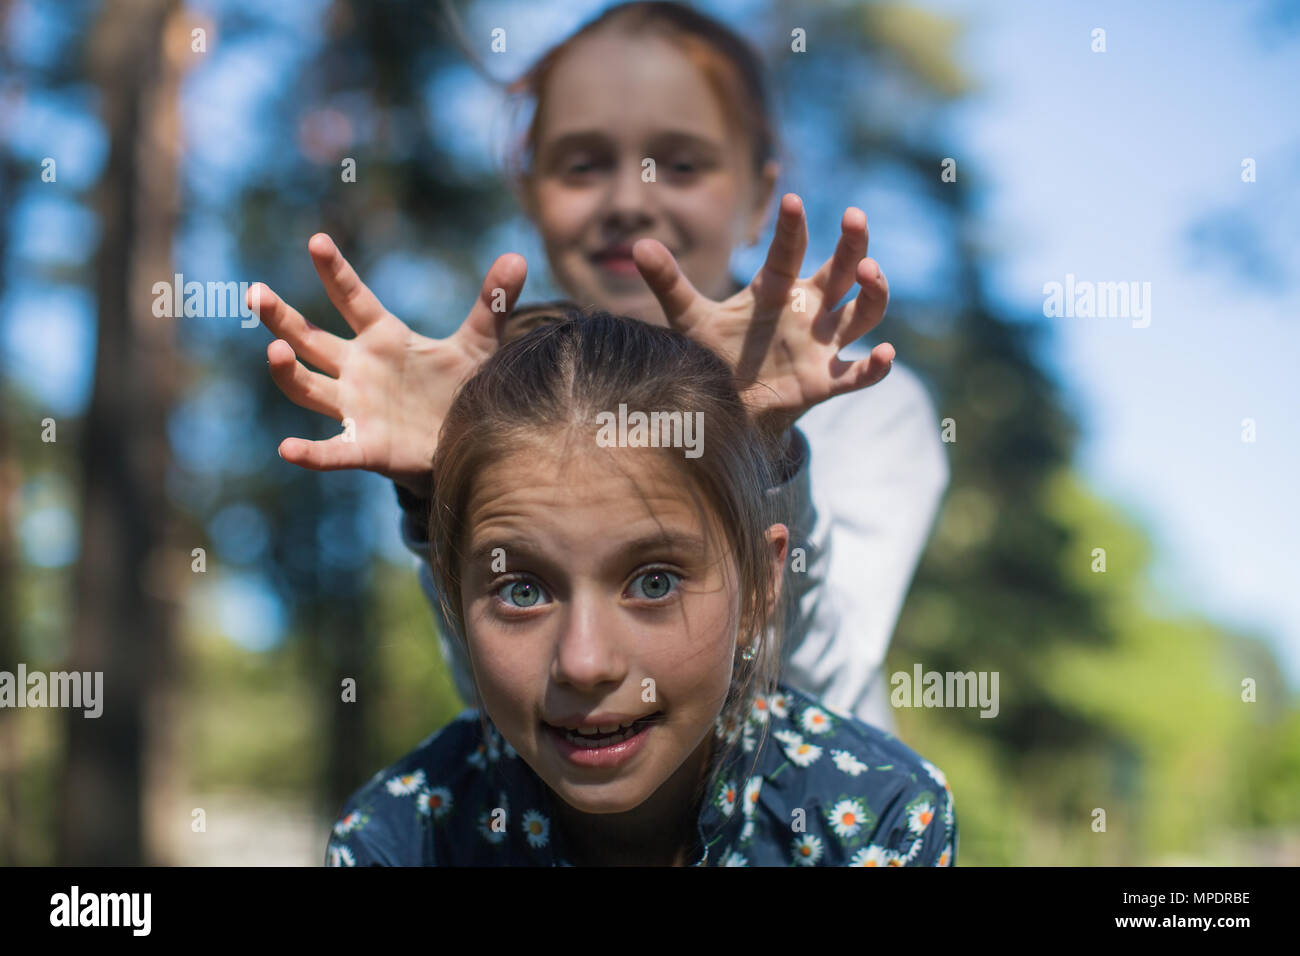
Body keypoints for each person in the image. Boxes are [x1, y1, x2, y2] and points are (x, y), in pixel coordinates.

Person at [249, 1, 948, 732]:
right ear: (529, 189)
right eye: (583, 164)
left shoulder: (867, 405)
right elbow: (502, 696)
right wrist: (437, 493)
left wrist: (761, 449)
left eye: (681, 164)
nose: (627, 199)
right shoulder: (492, 402)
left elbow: (815, 685)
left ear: (758, 198)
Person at [325, 312, 956, 866]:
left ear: (762, 584)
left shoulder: (878, 818)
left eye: (653, 583)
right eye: (521, 592)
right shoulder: (399, 840)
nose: (585, 663)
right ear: (453, 600)